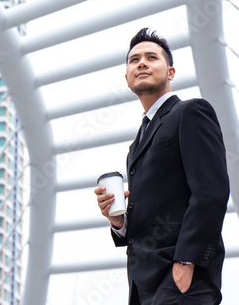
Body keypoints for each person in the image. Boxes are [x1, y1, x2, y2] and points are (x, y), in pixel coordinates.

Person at [95, 28, 230, 305]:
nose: (141, 63)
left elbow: (211, 192)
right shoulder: (136, 145)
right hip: (142, 287)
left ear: (170, 72)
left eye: (151, 57)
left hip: (180, 281)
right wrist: (119, 222)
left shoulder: (191, 112)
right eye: (134, 60)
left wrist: (186, 261)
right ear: (127, 77)